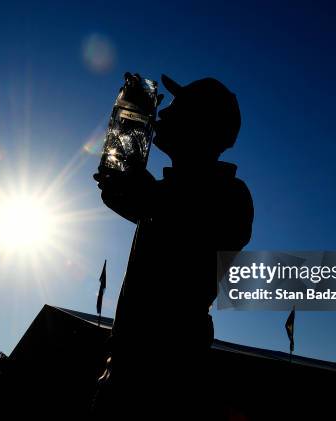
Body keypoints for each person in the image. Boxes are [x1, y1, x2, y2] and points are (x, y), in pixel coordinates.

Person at [92, 73, 253, 418]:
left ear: (202, 126)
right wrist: (120, 167)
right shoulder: (168, 193)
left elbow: (184, 222)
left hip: (166, 380)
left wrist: (141, 189)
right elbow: (125, 195)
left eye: (178, 109)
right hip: (123, 370)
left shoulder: (230, 196)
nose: (163, 113)